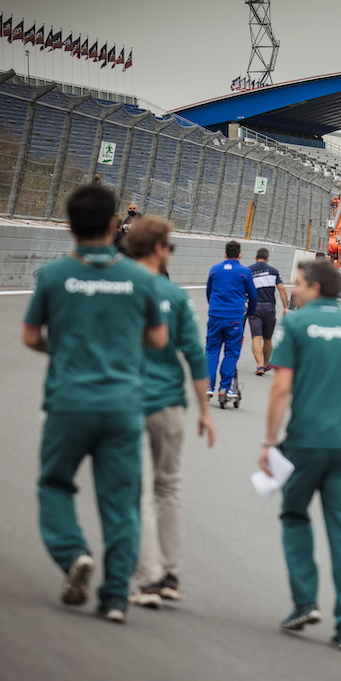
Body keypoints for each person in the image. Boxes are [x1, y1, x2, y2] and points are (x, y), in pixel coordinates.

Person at [22, 185, 168, 623]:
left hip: (69, 400)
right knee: (121, 501)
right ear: (113, 225)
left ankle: (73, 554)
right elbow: (159, 338)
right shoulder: (142, 279)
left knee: (55, 483)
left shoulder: (52, 275)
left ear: (69, 225)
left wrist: (67, 348)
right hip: (123, 404)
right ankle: (115, 598)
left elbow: (30, 336)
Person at [258, 258, 341, 652]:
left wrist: (269, 442)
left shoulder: (295, 324)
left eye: (296, 283)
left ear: (313, 288)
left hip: (305, 441)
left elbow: (280, 389)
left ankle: (305, 602)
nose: (292, 289)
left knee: (294, 514)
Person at [124, 217, 216, 609]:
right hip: (167, 403)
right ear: (159, 249)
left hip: (123, 402)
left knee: (136, 492)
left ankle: (147, 578)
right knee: (169, 487)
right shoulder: (175, 297)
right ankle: (171, 573)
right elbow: (194, 354)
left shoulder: (116, 287)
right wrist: (205, 410)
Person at [205, 240, 257, 402]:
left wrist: (214, 308)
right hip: (235, 317)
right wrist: (250, 312)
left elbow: (209, 292)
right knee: (231, 352)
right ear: (240, 255)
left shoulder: (215, 270)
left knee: (212, 350)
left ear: (225, 254)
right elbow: (253, 296)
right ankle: (225, 388)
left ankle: (208, 386)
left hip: (215, 315)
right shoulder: (244, 272)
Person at [248, 248, 290, 377]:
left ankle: (259, 364)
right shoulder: (274, 271)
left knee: (256, 337)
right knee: (268, 338)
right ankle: (266, 364)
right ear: (267, 259)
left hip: (254, 307)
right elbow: (281, 288)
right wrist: (285, 307)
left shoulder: (248, 271)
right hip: (269, 308)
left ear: (256, 258)